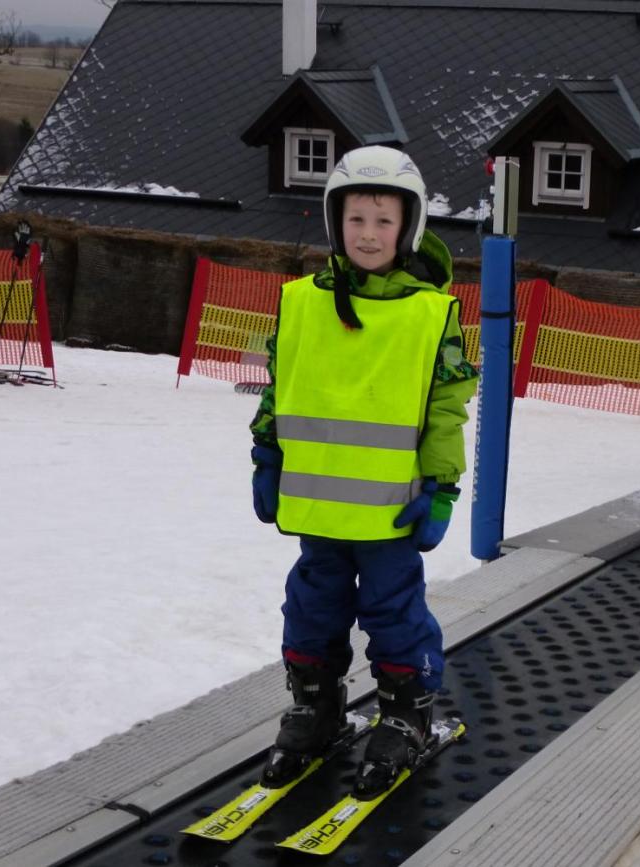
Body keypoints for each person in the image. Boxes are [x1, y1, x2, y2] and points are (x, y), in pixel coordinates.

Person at [248, 145, 479, 795]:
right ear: (334, 224)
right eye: (356, 219)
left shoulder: (429, 313)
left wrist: (440, 487)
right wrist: (266, 453)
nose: (369, 234)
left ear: (407, 226)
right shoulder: (300, 303)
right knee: (310, 609)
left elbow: (445, 409)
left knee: (394, 612)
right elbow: (279, 386)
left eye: (383, 220)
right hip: (317, 508)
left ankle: (405, 712)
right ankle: (316, 707)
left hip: (390, 510)